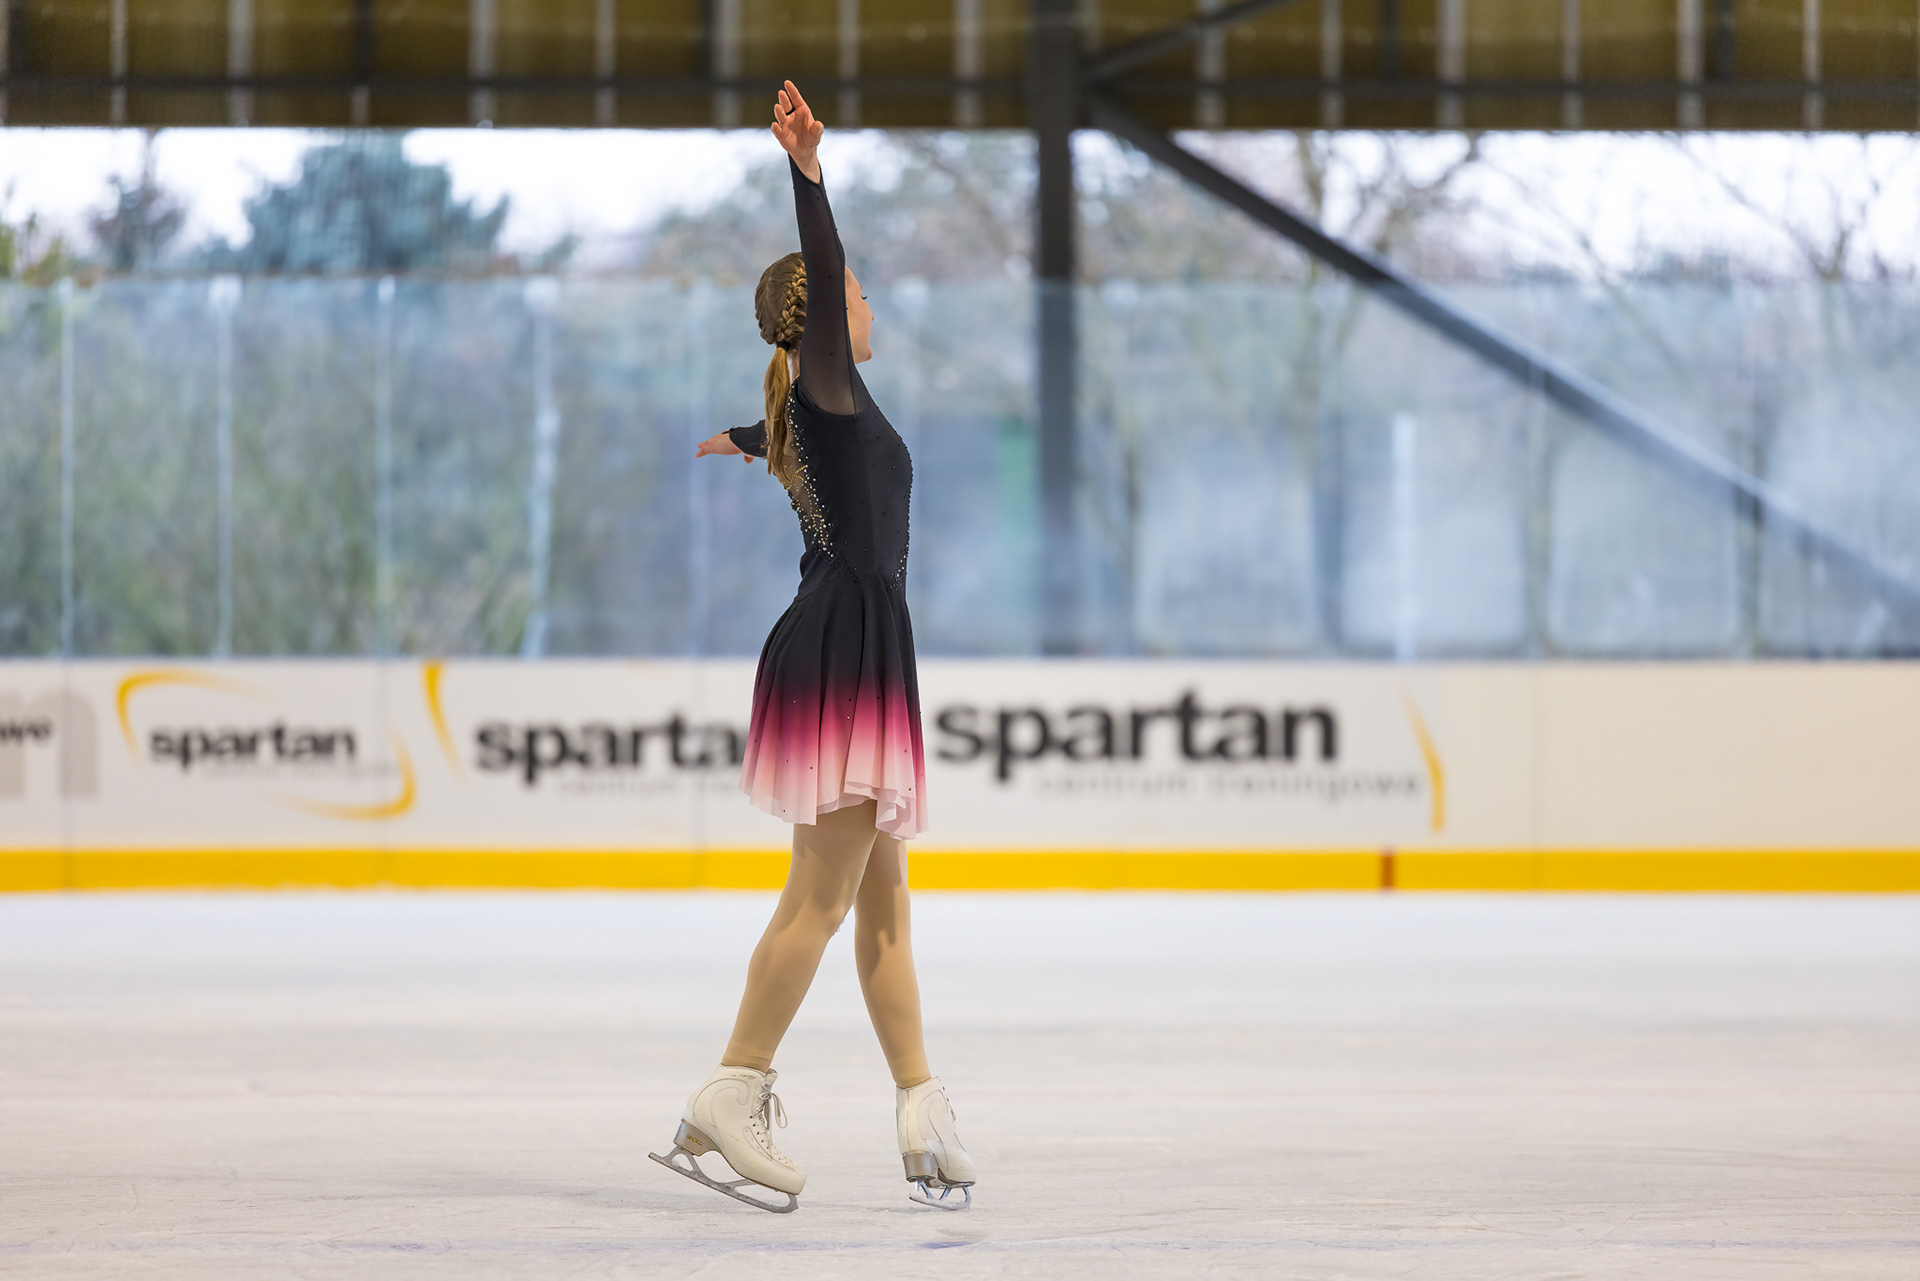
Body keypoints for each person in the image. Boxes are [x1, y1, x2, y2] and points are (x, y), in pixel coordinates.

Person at [648, 81, 976, 1215]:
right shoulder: (828, 388)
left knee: (883, 909)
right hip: (844, 652)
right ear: (828, 313)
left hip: (854, 648)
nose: (872, 308)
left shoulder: (805, 410)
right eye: (859, 297)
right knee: (819, 903)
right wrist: (808, 173)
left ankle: (922, 1105)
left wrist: (742, 437)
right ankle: (731, 1087)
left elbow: (777, 426)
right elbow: (823, 274)